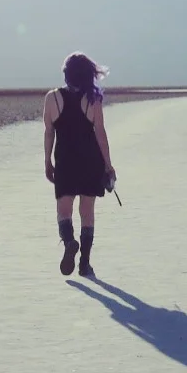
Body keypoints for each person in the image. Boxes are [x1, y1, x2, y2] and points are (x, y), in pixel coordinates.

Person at [43, 52, 116, 277]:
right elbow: (100, 133)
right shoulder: (93, 99)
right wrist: (108, 165)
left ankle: (69, 242)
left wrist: (47, 161)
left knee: (63, 210)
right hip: (90, 160)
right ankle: (84, 263)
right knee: (87, 212)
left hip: (65, 159)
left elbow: (49, 132)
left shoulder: (52, 98)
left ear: (66, 74)